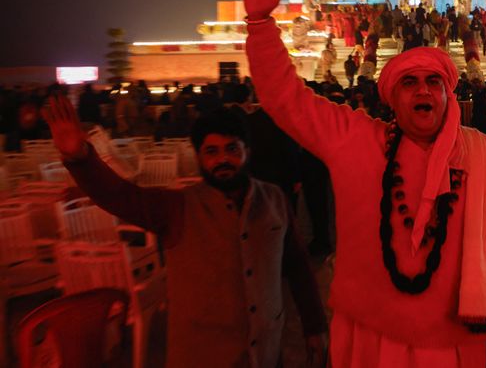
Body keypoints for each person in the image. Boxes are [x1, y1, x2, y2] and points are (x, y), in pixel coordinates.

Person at [241, 0, 486, 367]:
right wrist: (259, 24)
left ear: (447, 94)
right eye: (409, 83)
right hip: (369, 336)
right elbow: (286, 100)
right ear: (392, 98)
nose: (422, 91)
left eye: (433, 81)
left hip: (452, 342)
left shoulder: (484, 156)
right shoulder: (357, 141)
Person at [44, 98, 327, 367]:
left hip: (265, 352)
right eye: (212, 152)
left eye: (232, 149)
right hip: (201, 356)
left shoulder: (274, 200)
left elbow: (298, 266)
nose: (223, 160)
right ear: (199, 157)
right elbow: (120, 197)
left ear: (247, 152)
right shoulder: (178, 207)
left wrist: (314, 326)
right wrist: (79, 157)